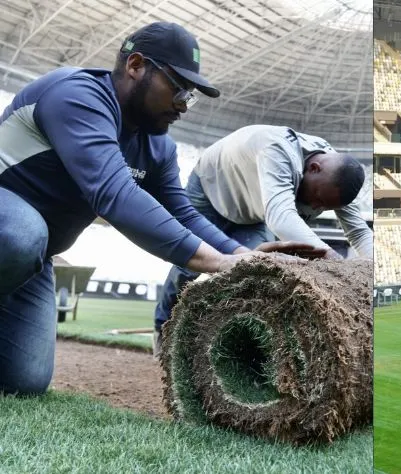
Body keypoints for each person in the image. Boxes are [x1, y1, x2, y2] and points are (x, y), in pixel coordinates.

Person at [0, 22, 321, 396]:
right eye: (179, 88)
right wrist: (217, 263)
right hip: (14, 235)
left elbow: (183, 214)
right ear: (136, 65)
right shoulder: (77, 94)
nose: (184, 105)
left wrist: (243, 255)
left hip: (37, 257)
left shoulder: (159, 148)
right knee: (22, 233)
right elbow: (114, 194)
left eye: (192, 95)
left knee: (26, 382)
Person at [153, 125, 373, 351]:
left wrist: (372, 270)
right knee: (189, 266)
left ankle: (225, 341)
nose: (316, 207)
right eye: (318, 198)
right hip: (210, 192)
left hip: (253, 215)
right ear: (314, 168)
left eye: (325, 207)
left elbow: (359, 231)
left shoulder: (339, 178)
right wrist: (333, 260)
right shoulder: (277, 148)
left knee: (248, 271)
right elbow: (281, 218)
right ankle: (162, 327)